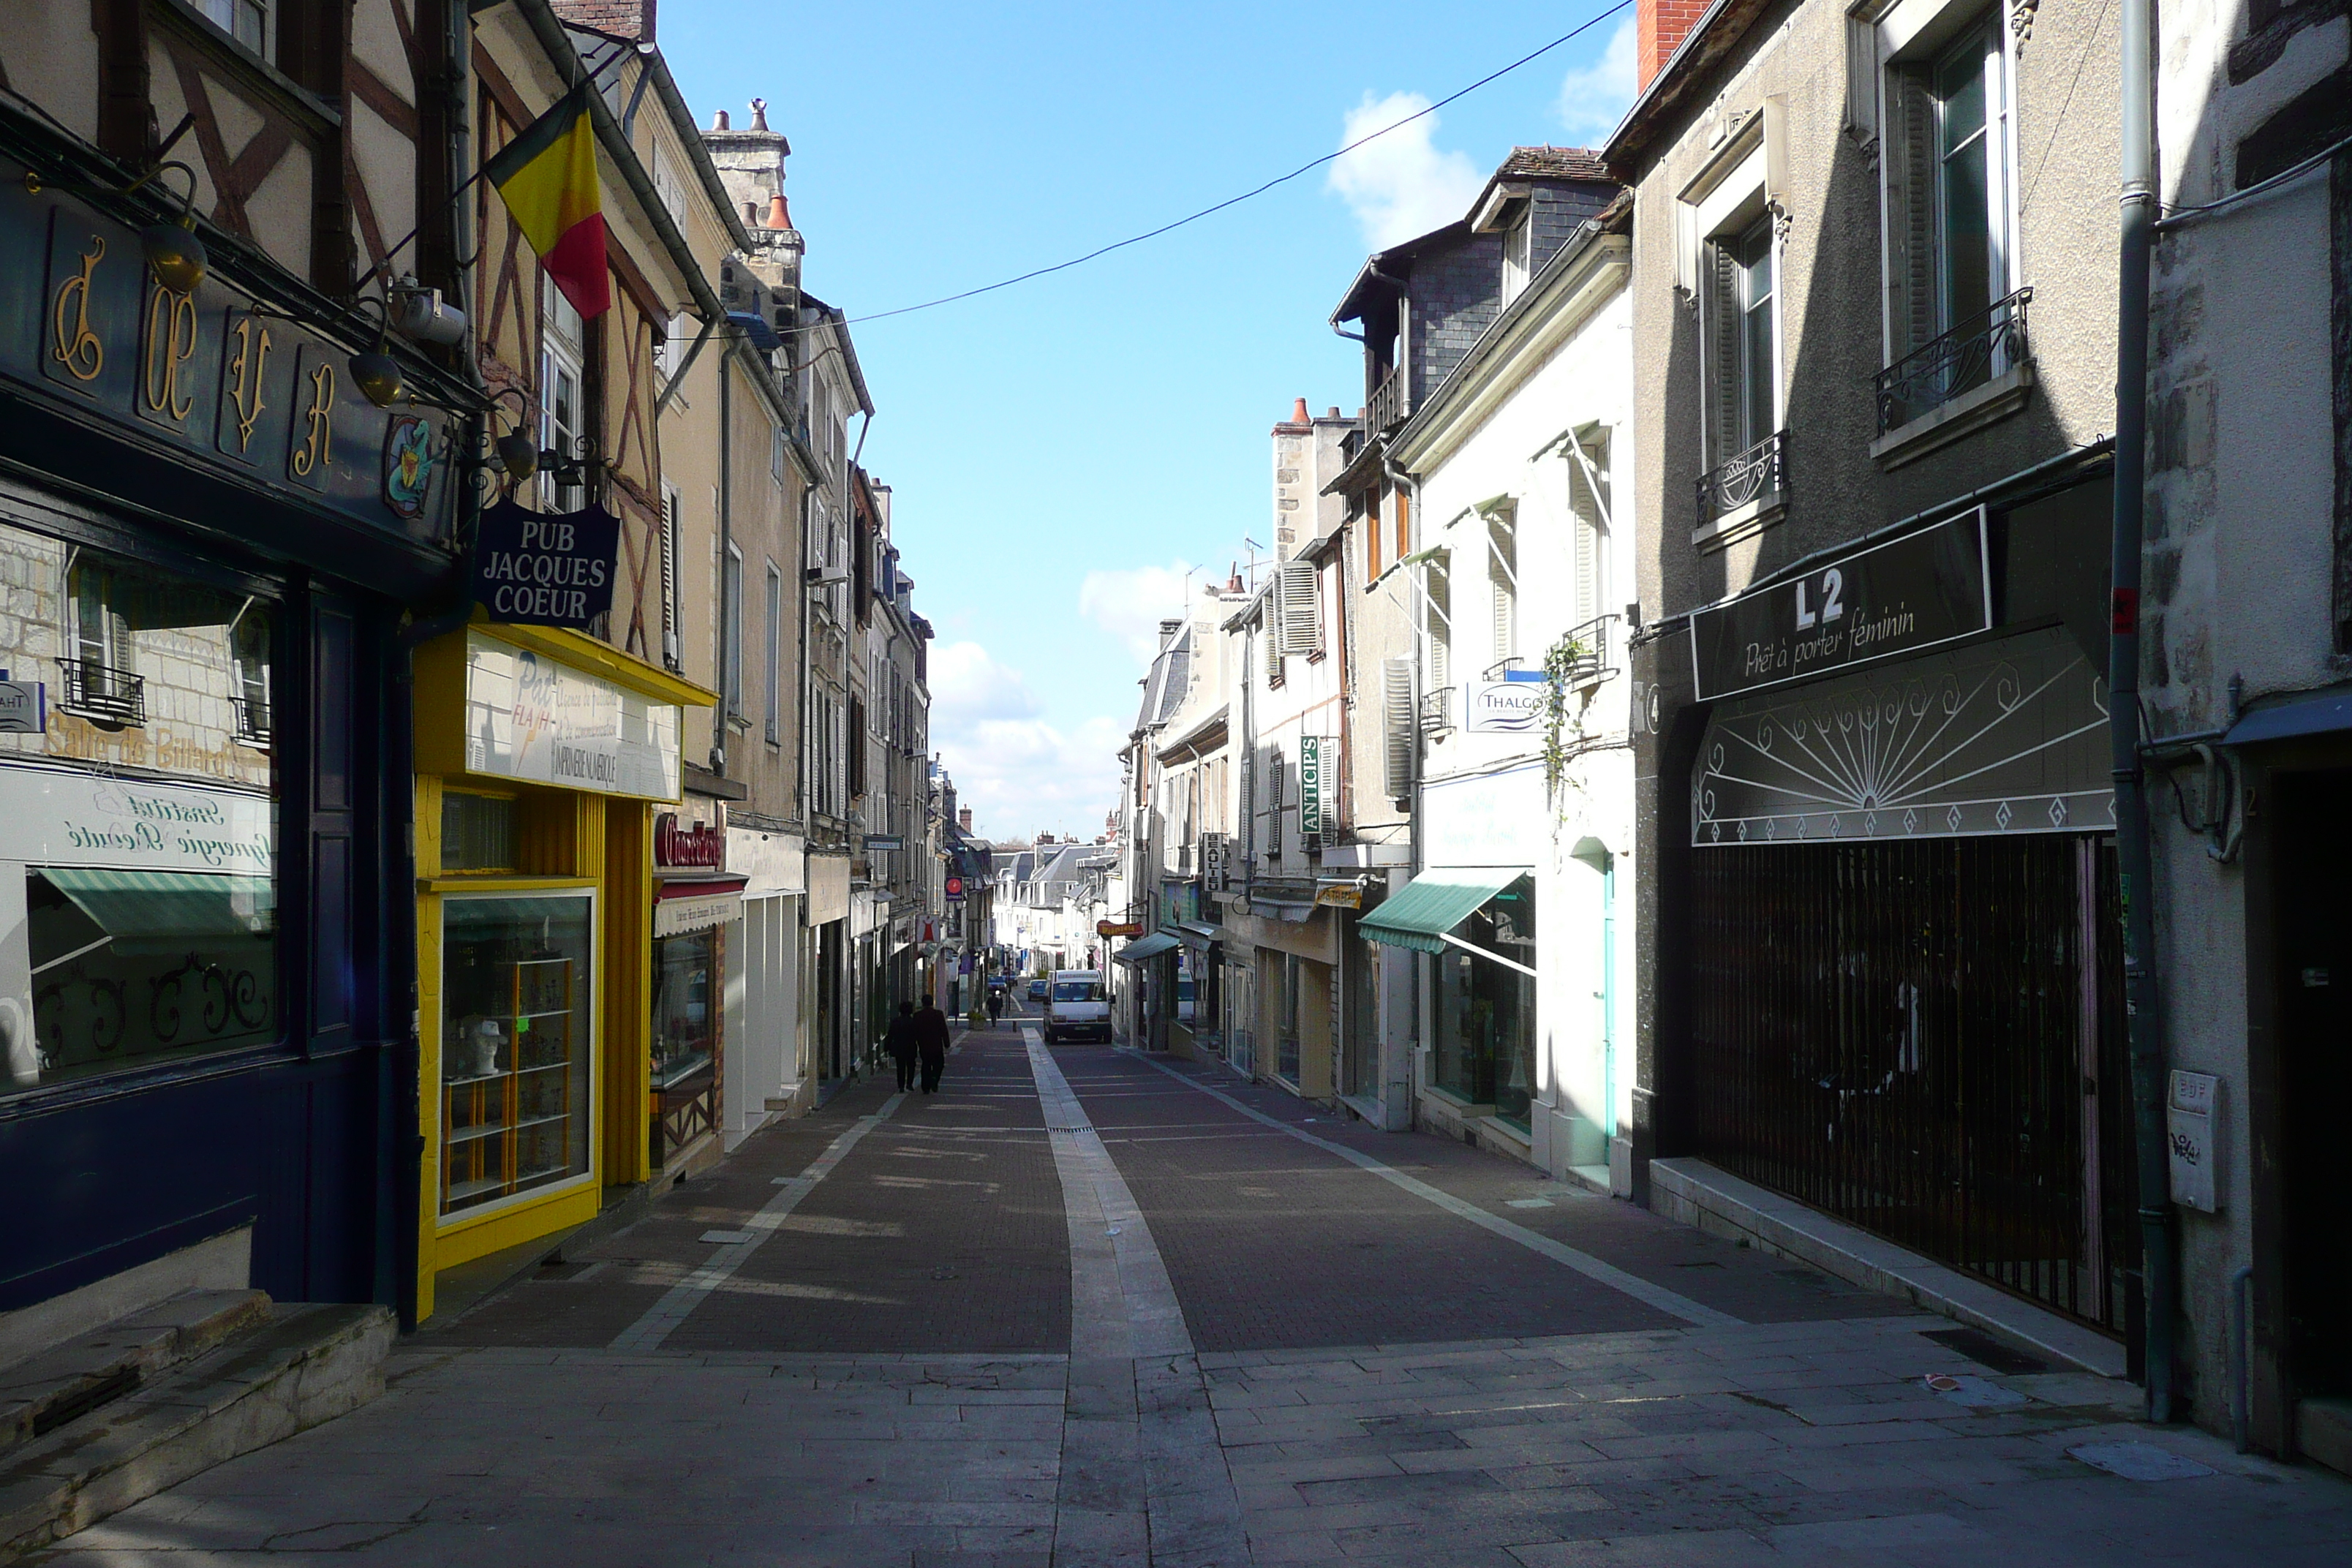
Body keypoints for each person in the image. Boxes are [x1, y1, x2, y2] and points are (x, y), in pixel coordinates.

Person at [913, 997, 952, 1093]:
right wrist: (946, 1043)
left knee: (926, 1064)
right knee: (939, 1065)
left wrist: (914, 1043)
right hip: (936, 1045)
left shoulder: (917, 1015)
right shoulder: (938, 1014)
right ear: (932, 1003)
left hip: (923, 1045)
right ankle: (934, 1079)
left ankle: (925, 1087)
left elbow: (914, 1031)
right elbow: (944, 1029)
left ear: (922, 1003)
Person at [883, 1001, 920, 1093]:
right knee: (911, 1066)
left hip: (899, 1047)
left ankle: (901, 1085)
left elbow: (890, 1035)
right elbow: (918, 1035)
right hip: (911, 1047)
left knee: (900, 1067)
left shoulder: (896, 1021)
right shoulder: (914, 1022)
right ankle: (909, 1084)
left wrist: (886, 1047)